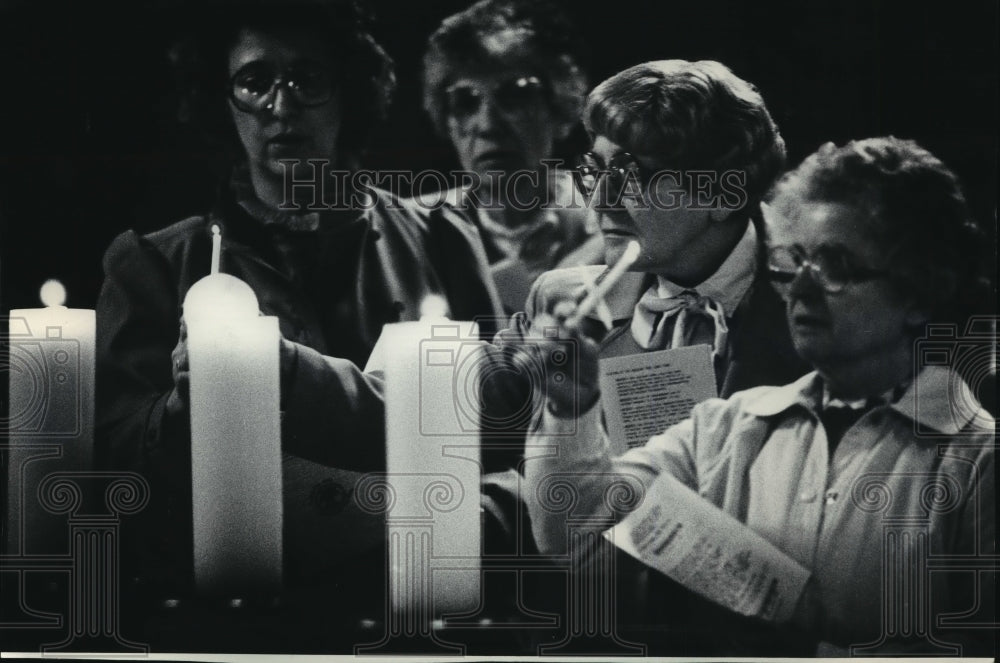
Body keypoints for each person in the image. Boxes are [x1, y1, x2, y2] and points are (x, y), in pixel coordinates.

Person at [521, 137, 995, 655]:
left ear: (921, 290)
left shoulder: (977, 463)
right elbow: (571, 524)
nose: (802, 291)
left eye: (835, 266)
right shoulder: (726, 426)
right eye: (794, 262)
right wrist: (571, 406)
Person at [95, 0, 502, 603]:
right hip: (241, 598)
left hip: (421, 586)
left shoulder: (440, 238)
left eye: (307, 80)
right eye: (254, 82)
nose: (281, 107)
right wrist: (187, 405)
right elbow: (109, 466)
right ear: (221, 100)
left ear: (350, 93)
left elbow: (507, 420)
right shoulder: (152, 264)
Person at [422, 0, 604, 313]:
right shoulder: (416, 232)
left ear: (559, 109)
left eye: (516, 95)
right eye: (465, 102)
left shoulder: (611, 222)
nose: (488, 125)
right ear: (447, 121)